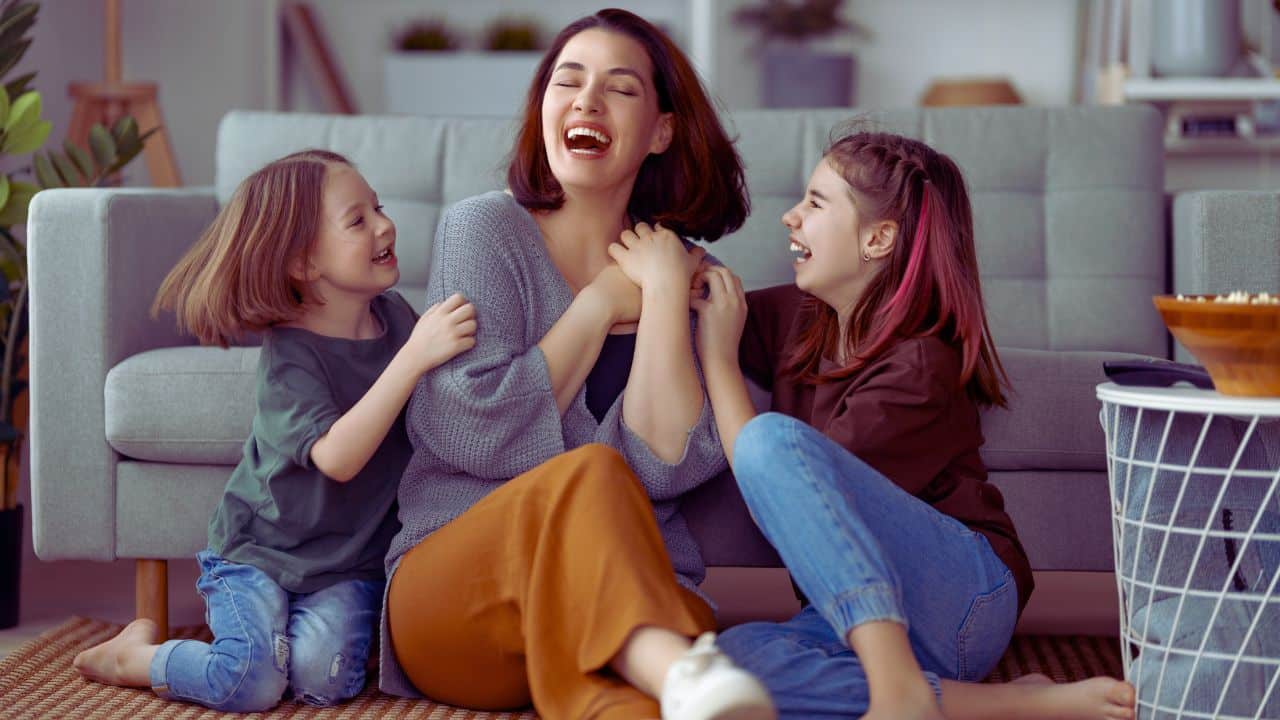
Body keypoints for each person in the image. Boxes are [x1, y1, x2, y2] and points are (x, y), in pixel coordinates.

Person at [380, 9, 776, 720]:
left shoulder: (682, 274)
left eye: (620, 89)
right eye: (568, 81)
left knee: (643, 698)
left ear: (661, 130)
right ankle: (682, 670)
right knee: (596, 472)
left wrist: (658, 295)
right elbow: (472, 431)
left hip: (621, 602)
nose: (587, 101)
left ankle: (679, 679)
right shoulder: (483, 230)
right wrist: (595, 307)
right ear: (543, 110)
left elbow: (666, 466)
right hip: (456, 599)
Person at [688, 130, 1139, 720]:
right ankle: (996, 703)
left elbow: (777, 491)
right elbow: (701, 293)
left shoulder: (920, 364)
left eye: (816, 203)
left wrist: (721, 360)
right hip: (852, 616)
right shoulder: (801, 319)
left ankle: (896, 679)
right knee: (728, 664)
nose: (790, 217)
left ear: (878, 238)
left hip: (961, 598)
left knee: (771, 440)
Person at [72, 150, 478, 712]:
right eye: (357, 220)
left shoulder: (399, 320)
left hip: (346, 564)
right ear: (302, 263)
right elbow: (338, 456)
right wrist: (412, 358)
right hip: (259, 553)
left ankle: (281, 638)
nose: (385, 225)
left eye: (378, 208)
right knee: (252, 683)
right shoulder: (291, 357)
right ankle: (137, 658)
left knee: (323, 682)